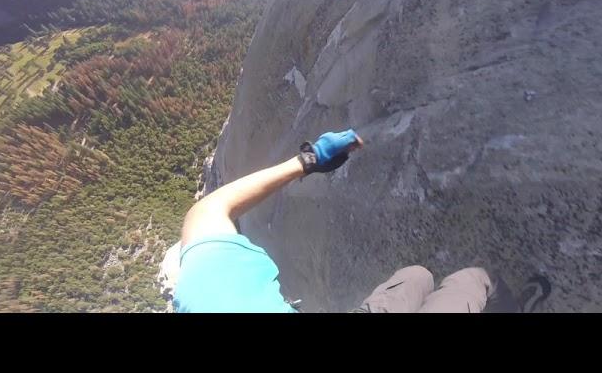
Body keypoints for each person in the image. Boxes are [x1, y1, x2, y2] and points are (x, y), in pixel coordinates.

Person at [173, 128, 549, 313]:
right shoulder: (205, 297)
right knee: (474, 281)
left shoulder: (211, 297)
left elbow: (206, 211)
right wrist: (307, 161)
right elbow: (206, 213)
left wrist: (308, 160)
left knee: (417, 276)